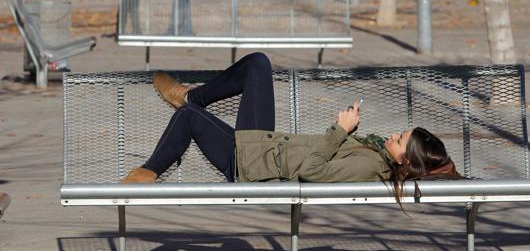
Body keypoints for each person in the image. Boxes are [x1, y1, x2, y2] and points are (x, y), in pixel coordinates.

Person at [123, 53, 461, 199]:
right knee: (257, 64)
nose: (393, 135)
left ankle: (148, 171)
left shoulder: (368, 165)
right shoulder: (375, 157)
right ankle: (192, 97)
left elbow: (313, 172)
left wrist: (340, 131)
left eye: (399, 140)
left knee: (186, 117)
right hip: (264, 150)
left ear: (404, 161)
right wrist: (351, 131)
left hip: (251, 165)